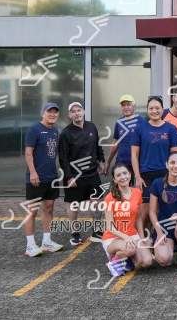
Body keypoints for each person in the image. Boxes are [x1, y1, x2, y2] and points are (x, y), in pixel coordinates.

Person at [131, 96, 177, 230]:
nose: (154, 111)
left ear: (162, 109)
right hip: (145, 176)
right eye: (151, 108)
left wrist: (173, 176)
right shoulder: (140, 128)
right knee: (144, 213)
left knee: (161, 211)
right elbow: (134, 155)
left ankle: (159, 237)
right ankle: (143, 239)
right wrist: (137, 177)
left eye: (157, 108)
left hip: (165, 175)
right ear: (147, 110)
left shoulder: (171, 129)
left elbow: (175, 156)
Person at [59, 101, 104, 246]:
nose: (77, 113)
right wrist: (69, 177)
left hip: (92, 174)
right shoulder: (65, 133)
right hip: (74, 176)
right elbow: (63, 158)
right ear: (69, 115)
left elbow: (97, 146)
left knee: (97, 203)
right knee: (73, 206)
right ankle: (75, 233)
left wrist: (101, 161)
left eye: (79, 110)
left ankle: (97, 230)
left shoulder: (92, 127)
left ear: (83, 111)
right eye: (73, 111)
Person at [23, 102, 64, 257]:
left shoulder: (55, 131)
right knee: (32, 211)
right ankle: (30, 246)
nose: (52, 114)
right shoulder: (34, 129)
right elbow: (28, 153)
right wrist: (33, 173)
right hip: (36, 178)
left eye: (55, 112)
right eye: (49, 112)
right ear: (43, 113)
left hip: (51, 177)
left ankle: (47, 242)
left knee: (49, 208)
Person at [101, 164, 152, 272]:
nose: (123, 177)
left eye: (125, 173)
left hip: (132, 235)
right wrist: (126, 237)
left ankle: (126, 259)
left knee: (147, 261)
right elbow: (110, 227)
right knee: (130, 249)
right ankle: (114, 260)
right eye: (118, 175)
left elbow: (138, 218)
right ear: (115, 180)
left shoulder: (137, 192)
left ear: (130, 174)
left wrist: (142, 238)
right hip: (113, 238)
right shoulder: (109, 198)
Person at [105, 94, 140, 172]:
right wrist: (108, 162)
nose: (126, 107)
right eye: (123, 105)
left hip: (137, 164)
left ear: (134, 106)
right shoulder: (119, 122)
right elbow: (115, 144)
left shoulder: (141, 121)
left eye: (128, 104)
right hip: (121, 163)